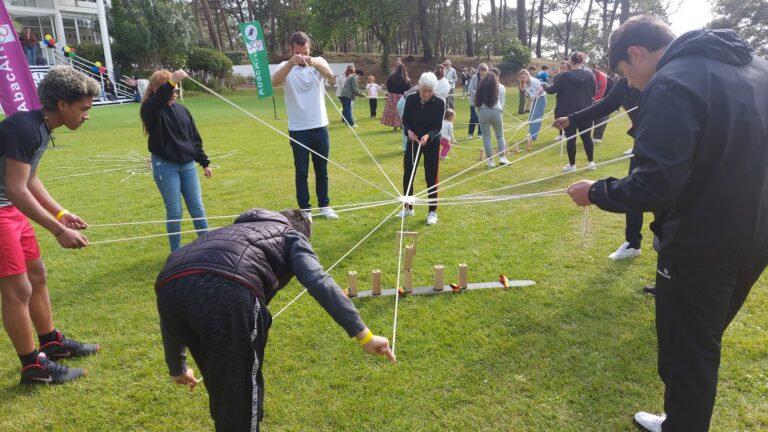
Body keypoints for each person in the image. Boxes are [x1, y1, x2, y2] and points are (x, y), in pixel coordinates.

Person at [566, 16, 768, 432]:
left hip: (701, 244)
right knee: (702, 339)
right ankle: (680, 419)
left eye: (625, 73)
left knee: (688, 350)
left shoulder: (672, 81)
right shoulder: (757, 67)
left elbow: (655, 186)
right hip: (756, 235)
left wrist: (597, 191)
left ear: (635, 54)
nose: (631, 84)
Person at [155, 208, 395, 431]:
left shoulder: (222, 234)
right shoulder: (290, 234)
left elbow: (179, 285)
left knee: (224, 385)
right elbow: (318, 281)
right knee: (239, 393)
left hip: (167, 288)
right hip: (228, 294)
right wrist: (365, 335)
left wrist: (177, 365)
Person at [0, 66, 100, 386]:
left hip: (11, 209)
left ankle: (50, 343)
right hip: (2, 211)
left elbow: (30, 180)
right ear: (61, 105)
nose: (87, 115)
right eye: (83, 109)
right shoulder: (25, 128)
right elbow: (16, 188)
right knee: (18, 290)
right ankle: (33, 367)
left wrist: (60, 214)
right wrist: (58, 231)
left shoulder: (41, 128)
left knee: (37, 276)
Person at [553, 76, 644, 261]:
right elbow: (604, 105)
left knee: (659, 197)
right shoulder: (624, 82)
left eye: (624, 69)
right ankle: (633, 243)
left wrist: (595, 192)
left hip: (664, 144)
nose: (627, 79)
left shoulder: (662, 80)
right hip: (642, 143)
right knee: (636, 194)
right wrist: (572, 119)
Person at [140, 69, 211, 253]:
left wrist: (204, 162)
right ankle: (176, 252)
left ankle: (208, 248)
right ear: (157, 90)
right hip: (165, 167)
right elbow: (156, 103)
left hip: (187, 166)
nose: (174, 94)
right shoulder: (151, 110)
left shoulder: (182, 110)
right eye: (171, 89)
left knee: (197, 208)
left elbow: (194, 137)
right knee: (175, 212)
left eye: (176, 90)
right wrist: (171, 82)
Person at [272, 31, 339, 221]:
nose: (302, 56)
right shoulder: (284, 67)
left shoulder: (318, 62)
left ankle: (325, 206)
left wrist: (315, 62)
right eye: (298, 53)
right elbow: (275, 82)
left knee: (322, 169)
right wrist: (291, 64)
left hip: (319, 126)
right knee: (301, 171)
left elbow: (331, 77)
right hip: (298, 128)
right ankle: (305, 210)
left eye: (305, 51)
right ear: (292, 49)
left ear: (309, 48)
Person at [397, 72, 445, 225]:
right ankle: (408, 207)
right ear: (419, 87)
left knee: (431, 177)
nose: (426, 94)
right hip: (413, 141)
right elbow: (405, 120)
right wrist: (408, 131)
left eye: (430, 91)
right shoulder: (411, 99)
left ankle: (432, 211)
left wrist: (428, 136)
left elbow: (437, 127)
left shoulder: (440, 102)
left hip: (431, 143)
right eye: (424, 90)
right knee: (408, 174)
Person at [545, 51, 596, 172]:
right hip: (586, 111)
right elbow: (593, 92)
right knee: (587, 137)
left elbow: (552, 90)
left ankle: (572, 165)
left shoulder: (564, 76)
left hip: (568, 113)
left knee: (571, 139)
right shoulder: (590, 75)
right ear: (582, 61)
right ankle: (591, 163)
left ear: (570, 62)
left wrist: (544, 86)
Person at [476, 68, 510, 168]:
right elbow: (502, 103)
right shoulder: (501, 87)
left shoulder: (481, 86)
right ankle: (502, 158)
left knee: (486, 137)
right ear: (497, 77)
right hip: (497, 111)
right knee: (499, 135)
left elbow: (477, 101)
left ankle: (491, 161)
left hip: (483, 111)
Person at [518, 69, 547, 151]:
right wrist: (531, 96)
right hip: (534, 100)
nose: (523, 79)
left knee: (536, 118)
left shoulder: (534, 81)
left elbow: (542, 88)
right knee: (530, 118)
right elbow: (529, 93)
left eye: (524, 77)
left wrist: (538, 94)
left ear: (527, 75)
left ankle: (532, 136)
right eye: (521, 78)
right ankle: (530, 134)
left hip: (541, 99)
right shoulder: (525, 84)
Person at [382, 64, 411, 130]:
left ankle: (395, 125)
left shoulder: (391, 77)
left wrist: (390, 91)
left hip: (392, 96)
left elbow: (388, 85)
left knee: (393, 111)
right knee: (401, 111)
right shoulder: (405, 79)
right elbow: (409, 88)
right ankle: (401, 125)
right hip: (401, 96)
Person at [467, 63, 488, 139]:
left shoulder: (488, 78)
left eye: (485, 70)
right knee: (473, 117)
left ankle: (480, 133)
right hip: (474, 101)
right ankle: (470, 133)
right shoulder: (474, 77)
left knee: (481, 117)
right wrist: (477, 93)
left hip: (483, 102)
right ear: (478, 70)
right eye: (482, 70)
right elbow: (470, 88)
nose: (483, 72)